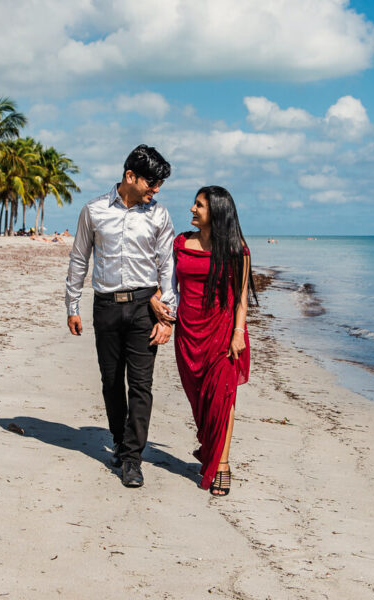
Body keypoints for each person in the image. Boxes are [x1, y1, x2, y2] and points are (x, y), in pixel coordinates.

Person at [65, 144, 176, 488]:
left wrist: (166, 317)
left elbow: (167, 265)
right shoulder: (94, 211)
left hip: (146, 306)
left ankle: (132, 458)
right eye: (151, 183)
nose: (155, 190)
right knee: (111, 381)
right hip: (106, 306)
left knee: (141, 385)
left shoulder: (159, 215)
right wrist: (72, 305)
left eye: (159, 185)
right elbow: (79, 258)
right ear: (130, 176)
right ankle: (118, 438)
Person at [173, 186, 257, 496]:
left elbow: (242, 298)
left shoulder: (237, 250)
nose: (192, 209)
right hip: (188, 332)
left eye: (199, 206)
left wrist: (238, 333)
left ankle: (221, 464)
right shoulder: (181, 244)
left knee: (223, 397)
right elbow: (166, 280)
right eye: (194, 204)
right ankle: (210, 447)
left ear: (216, 213)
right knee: (200, 400)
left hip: (223, 333)